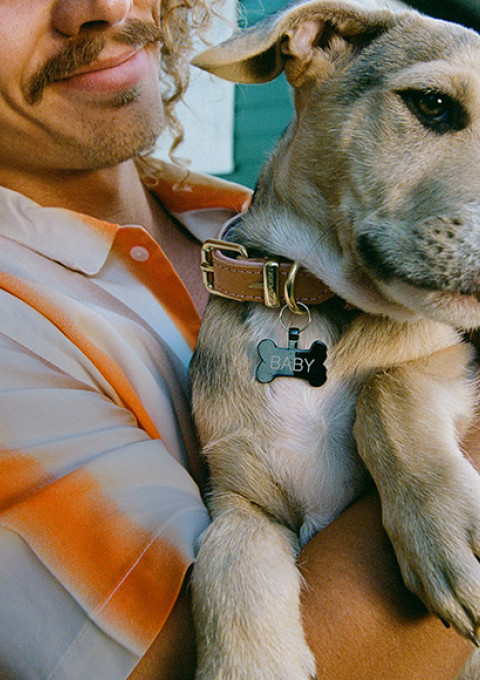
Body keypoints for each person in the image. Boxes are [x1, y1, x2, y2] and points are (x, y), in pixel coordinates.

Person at [0, 1, 476, 679]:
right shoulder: (12, 330)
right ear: (316, 43)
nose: (100, 7)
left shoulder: (264, 217)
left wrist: (403, 413)